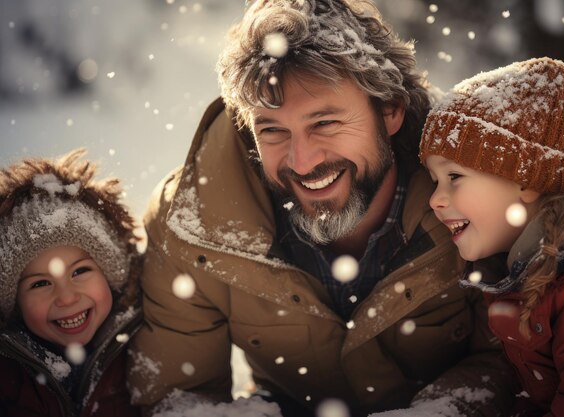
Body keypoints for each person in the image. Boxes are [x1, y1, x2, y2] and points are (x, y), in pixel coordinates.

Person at [128, 1, 517, 416]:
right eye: (273, 131)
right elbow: (177, 396)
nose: (302, 161)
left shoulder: (480, 188)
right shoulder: (191, 220)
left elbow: (516, 361)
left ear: (390, 110)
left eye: (324, 123)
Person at [419, 57, 564, 416]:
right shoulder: (519, 271)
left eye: (454, 177)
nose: (435, 199)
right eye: (435, 180)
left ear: (528, 182)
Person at [0, 149, 143, 417]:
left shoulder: (144, 342)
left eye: (79, 272)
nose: (66, 297)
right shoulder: (8, 377)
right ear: (14, 304)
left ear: (111, 272)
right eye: (40, 284)